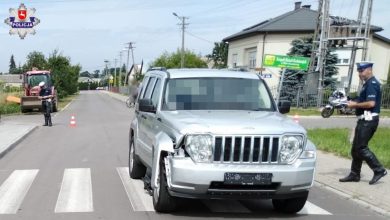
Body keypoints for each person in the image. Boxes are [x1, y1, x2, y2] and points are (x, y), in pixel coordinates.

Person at [339, 61, 387, 185]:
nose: (359, 73)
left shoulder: (372, 84)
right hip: (363, 119)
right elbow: (362, 101)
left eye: (361, 71)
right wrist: (350, 102)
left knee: (361, 147)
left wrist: (355, 105)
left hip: (369, 120)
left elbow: (371, 104)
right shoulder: (367, 84)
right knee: (355, 149)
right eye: (359, 71)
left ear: (369, 70)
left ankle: (379, 169)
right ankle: (355, 174)